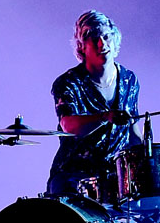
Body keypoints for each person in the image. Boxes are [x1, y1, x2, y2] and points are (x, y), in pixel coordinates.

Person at [46, 10, 141, 197]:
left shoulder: (130, 80)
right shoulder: (68, 83)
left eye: (106, 37)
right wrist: (105, 117)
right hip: (73, 176)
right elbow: (69, 125)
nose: (102, 44)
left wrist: (148, 157)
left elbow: (133, 131)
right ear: (82, 47)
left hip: (116, 177)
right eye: (94, 39)